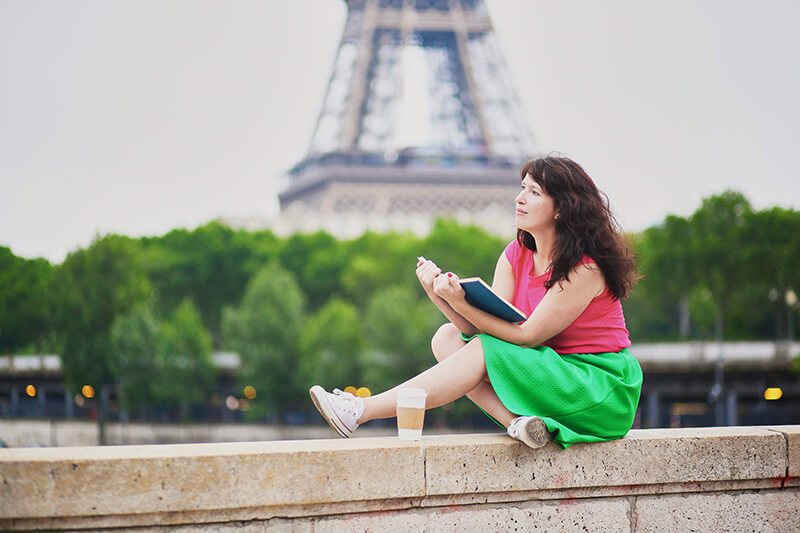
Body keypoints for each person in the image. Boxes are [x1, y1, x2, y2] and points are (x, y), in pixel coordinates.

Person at [309, 155, 642, 449]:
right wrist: (439, 296)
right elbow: (481, 329)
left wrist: (462, 303)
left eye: (533, 192)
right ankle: (518, 423)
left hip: (598, 386)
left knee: (483, 348)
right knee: (446, 337)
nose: (519, 198)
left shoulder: (585, 269)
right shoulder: (516, 254)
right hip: (551, 371)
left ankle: (361, 411)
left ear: (561, 210)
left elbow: (526, 336)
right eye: (522, 187)